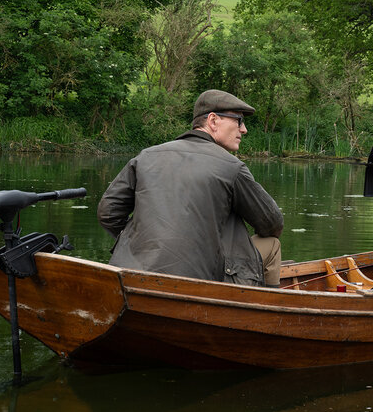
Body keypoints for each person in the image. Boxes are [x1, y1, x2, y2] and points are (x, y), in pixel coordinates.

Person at [97, 90, 284, 287]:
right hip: (200, 281)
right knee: (271, 244)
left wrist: (138, 243)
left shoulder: (146, 156)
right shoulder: (231, 166)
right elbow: (272, 224)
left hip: (130, 274)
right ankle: (265, 307)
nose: (244, 129)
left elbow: (108, 213)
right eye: (238, 120)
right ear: (213, 120)